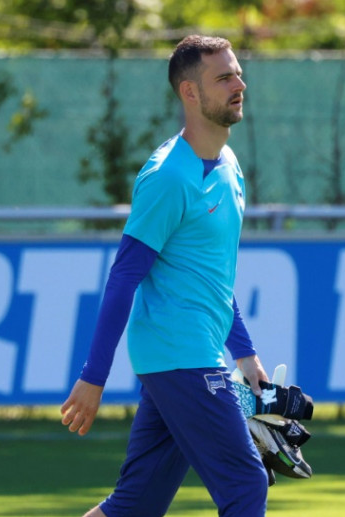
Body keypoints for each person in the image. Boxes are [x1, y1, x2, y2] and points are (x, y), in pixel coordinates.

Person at [59, 34, 271, 517]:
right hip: (182, 355)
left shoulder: (229, 166)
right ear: (190, 93)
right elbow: (123, 278)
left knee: (135, 506)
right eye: (224, 78)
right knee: (245, 484)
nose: (239, 85)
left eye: (238, 74)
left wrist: (245, 352)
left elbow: (211, 277)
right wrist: (93, 377)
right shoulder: (168, 176)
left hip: (183, 356)